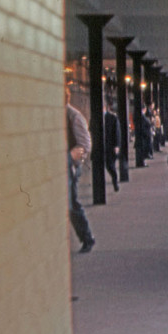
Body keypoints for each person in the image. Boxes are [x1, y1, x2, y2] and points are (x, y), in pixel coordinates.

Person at [66, 85, 95, 253]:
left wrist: (75, 163)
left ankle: (87, 237)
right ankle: (86, 237)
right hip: (66, 165)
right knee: (70, 203)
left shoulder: (73, 116)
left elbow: (85, 144)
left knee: (71, 204)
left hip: (70, 168)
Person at [103, 96, 121, 192]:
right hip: (101, 147)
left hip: (110, 147)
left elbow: (117, 133)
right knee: (102, 166)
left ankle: (115, 181)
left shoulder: (112, 118)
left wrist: (117, 145)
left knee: (110, 166)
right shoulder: (95, 118)